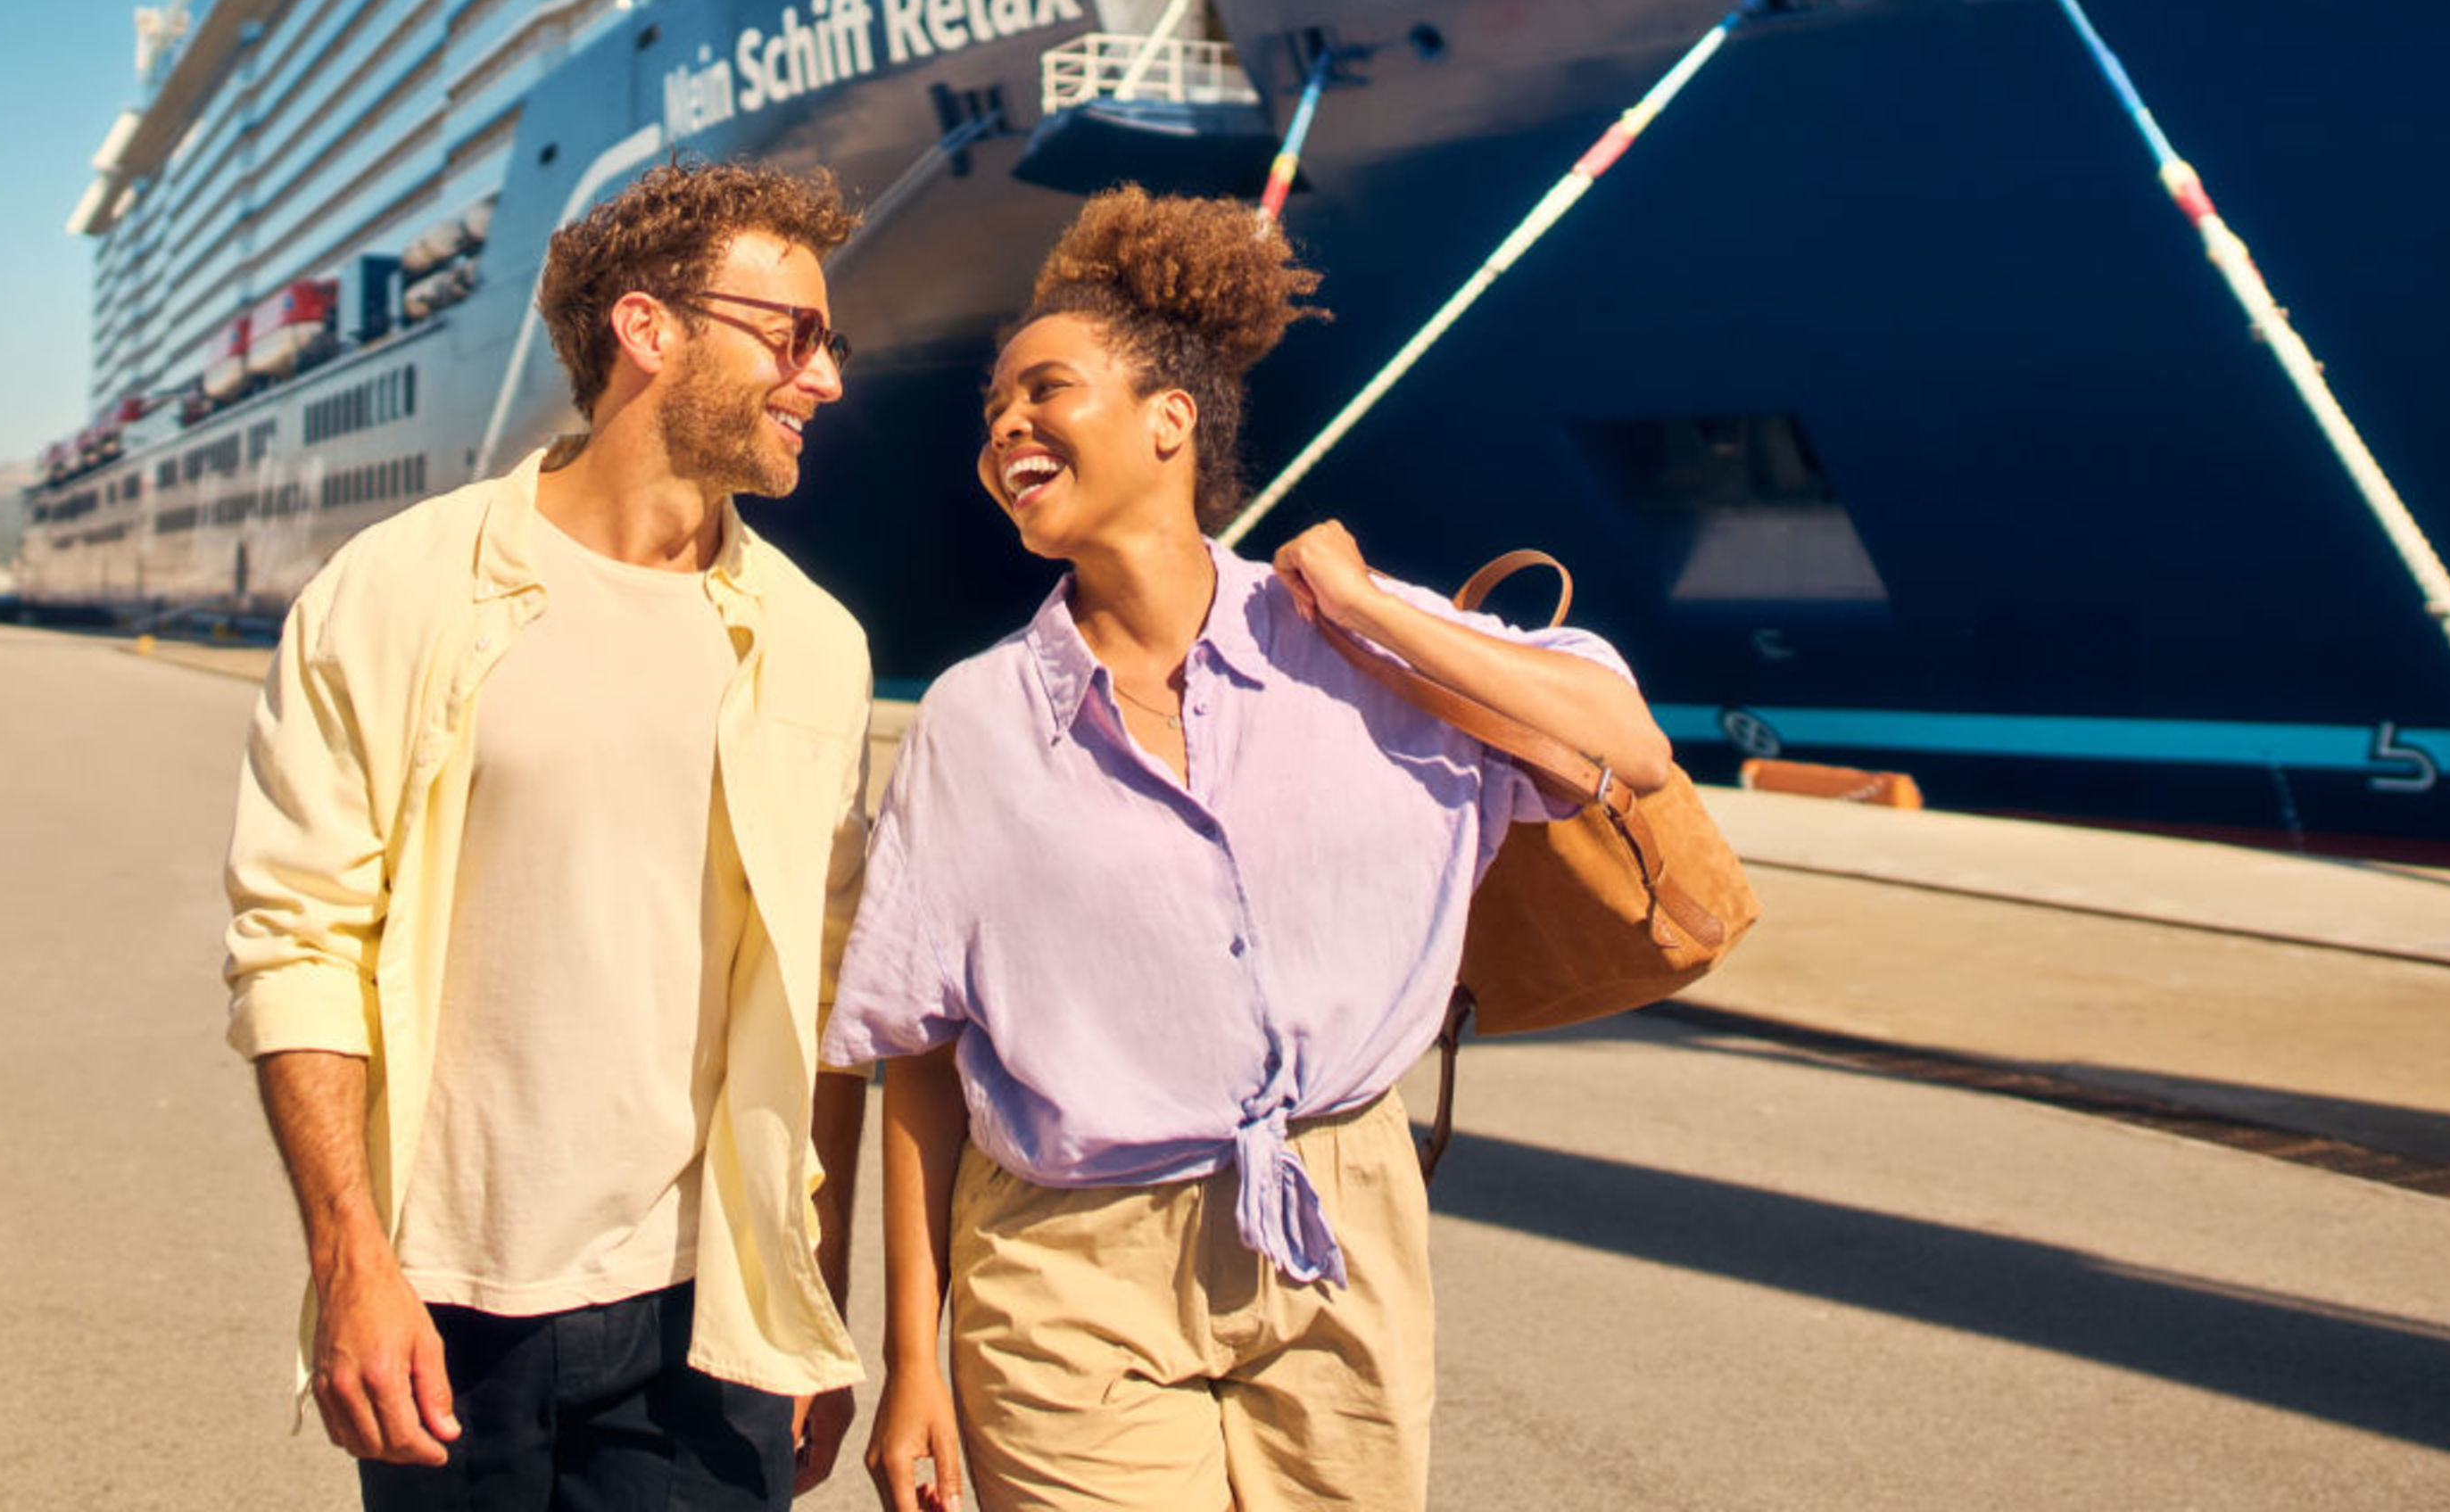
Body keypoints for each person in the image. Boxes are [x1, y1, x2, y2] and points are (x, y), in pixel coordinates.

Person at [828, 187, 1675, 1512]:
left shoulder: (1347, 639)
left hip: (1341, 1222)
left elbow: (1630, 744)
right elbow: (922, 1053)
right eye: (993, 411)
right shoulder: (973, 722)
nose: (1005, 427)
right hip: (1067, 1263)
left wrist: (1371, 610)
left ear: (1170, 419)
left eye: (1046, 391)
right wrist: (910, 1360)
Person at [224, 157, 879, 1508]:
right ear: (649, 329)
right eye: (795, 335)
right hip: (443, 1298)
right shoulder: (395, 593)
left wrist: (813, 1297)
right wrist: (349, 1258)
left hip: (707, 1310)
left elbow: (824, 999)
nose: (825, 380)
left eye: (832, 345)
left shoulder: (816, 644)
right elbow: (298, 942)